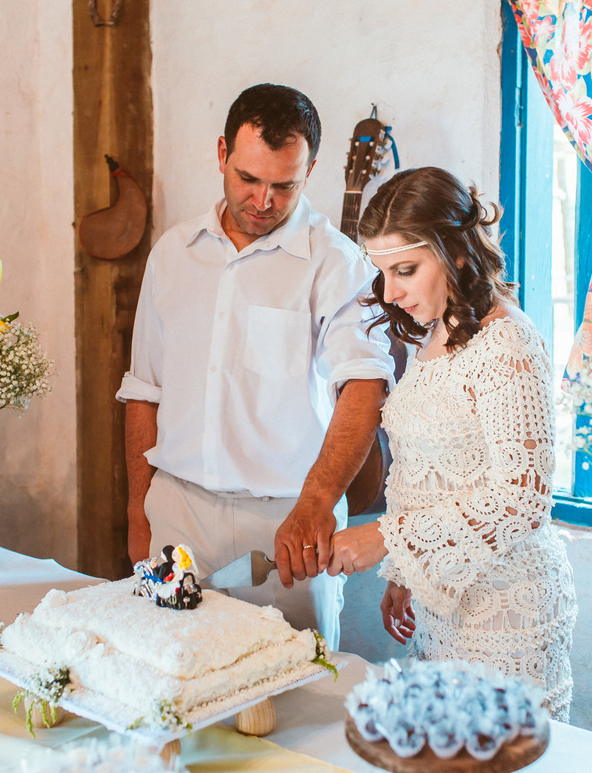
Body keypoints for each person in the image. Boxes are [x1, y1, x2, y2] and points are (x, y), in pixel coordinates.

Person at [116, 84, 394, 650]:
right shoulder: (173, 253)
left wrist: (317, 502)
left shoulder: (338, 263)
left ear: (311, 170)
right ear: (222, 154)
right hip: (177, 509)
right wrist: (138, 512)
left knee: (292, 698)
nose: (263, 200)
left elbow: (364, 387)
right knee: (168, 673)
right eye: (248, 178)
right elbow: (144, 389)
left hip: (288, 521)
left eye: (284, 185)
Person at [325, 166, 577, 718]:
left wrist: (386, 539)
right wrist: (406, 574)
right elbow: (428, 469)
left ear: (456, 251)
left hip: (505, 614)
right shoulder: (440, 330)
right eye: (382, 272)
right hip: (446, 603)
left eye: (405, 270)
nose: (390, 292)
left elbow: (522, 498)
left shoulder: (506, 342)